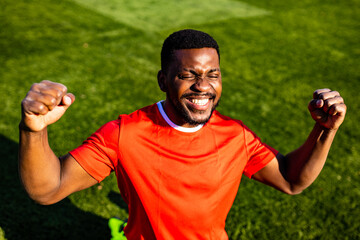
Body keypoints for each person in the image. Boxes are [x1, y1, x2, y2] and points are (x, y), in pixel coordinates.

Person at [19, 29, 347, 239]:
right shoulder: (125, 133)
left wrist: (325, 128)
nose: (203, 86)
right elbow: (49, 190)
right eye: (188, 75)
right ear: (163, 81)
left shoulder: (236, 135)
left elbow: (292, 180)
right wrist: (33, 131)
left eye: (212, 74)